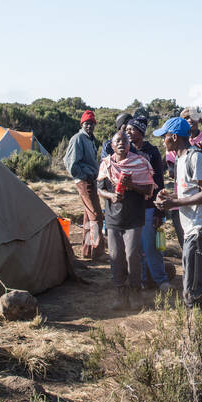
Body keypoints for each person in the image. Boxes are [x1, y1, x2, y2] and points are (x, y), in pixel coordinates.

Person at [154, 116, 202, 306]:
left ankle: (198, 331)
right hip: (191, 230)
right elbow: (189, 192)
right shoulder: (180, 160)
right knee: (190, 287)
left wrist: (177, 202)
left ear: (174, 137)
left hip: (201, 231)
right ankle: (197, 328)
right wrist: (170, 200)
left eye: (164, 136)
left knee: (195, 291)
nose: (163, 140)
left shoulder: (195, 157)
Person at [95, 129, 156, 308]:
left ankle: (136, 293)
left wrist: (132, 185)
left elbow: (148, 190)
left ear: (130, 145)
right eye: (117, 141)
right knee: (115, 255)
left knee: (132, 255)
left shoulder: (140, 163)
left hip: (134, 217)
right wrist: (111, 196)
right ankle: (120, 294)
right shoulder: (106, 164)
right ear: (112, 146)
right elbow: (99, 189)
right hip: (113, 218)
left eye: (124, 141)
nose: (121, 143)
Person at [126, 115, 170, 292]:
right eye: (127, 129)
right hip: (131, 207)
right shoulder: (125, 150)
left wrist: (160, 211)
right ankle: (143, 280)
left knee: (150, 246)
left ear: (141, 132)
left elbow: (159, 181)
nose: (128, 132)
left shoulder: (151, 152)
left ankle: (161, 280)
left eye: (132, 129)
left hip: (149, 207)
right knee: (135, 248)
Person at [63, 109, 105, 258]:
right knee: (96, 215)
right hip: (84, 181)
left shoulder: (90, 139)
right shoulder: (78, 138)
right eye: (87, 123)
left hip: (90, 180)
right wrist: (84, 175)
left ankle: (87, 252)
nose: (90, 126)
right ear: (82, 124)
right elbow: (69, 162)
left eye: (92, 124)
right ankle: (98, 251)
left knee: (89, 216)